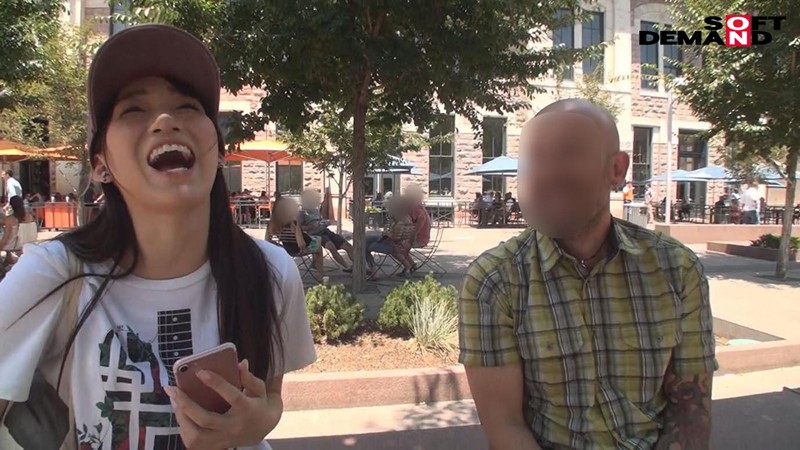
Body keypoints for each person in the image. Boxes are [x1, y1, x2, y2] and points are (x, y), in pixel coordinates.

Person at [0, 25, 316, 450]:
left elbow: (271, 398)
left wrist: (260, 420)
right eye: (133, 110)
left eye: (187, 106)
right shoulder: (53, 274)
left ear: (217, 152)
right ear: (101, 165)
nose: (166, 121)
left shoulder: (270, 270)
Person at [460, 99, 717, 450]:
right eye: (535, 159)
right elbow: (505, 426)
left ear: (617, 169)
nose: (547, 173)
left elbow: (690, 412)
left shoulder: (676, 269)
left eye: (569, 153)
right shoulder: (494, 281)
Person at [297, 189, 354, 272]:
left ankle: (357, 266)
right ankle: (347, 267)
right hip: (315, 234)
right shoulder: (301, 213)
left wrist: (326, 222)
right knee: (332, 247)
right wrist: (311, 226)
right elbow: (298, 228)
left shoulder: (316, 209)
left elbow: (320, 221)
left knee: (347, 246)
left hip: (326, 231)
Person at [270, 197, 325, 277]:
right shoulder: (293, 223)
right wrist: (303, 249)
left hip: (287, 249)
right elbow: (301, 244)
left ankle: (315, 264)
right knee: (319, 248)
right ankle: (321, 274)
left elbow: (268, 241)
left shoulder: (271, 224)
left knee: (316, 240)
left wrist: (280, 247)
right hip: (298, 250)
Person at [365, 197, 416, 278]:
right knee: (367, 239)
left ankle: (373, 271)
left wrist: (386, 233)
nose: (389, 211)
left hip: (395, 246)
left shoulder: (400, 223)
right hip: (397, 244)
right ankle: (408, 267)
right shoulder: (406, 218)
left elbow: (396, 238)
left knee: (366, 247)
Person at [0, 195, 38, 269]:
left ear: (11, 206)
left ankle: (8, 260)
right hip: (27, 242)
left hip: (14, 244)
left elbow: (6, 237)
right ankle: (9, 259)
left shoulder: (10, 219)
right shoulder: (30, 216)